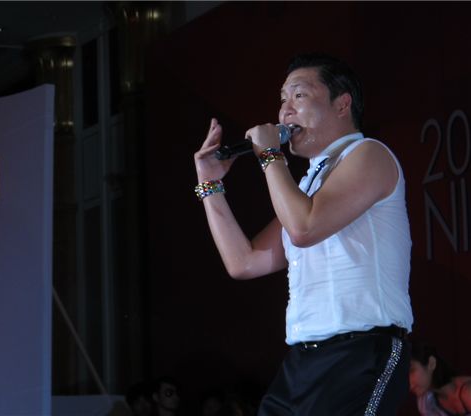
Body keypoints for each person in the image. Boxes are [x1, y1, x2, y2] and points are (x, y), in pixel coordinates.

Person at [193, 53, 413, 415]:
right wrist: (210, 184)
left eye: (299, 96)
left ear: (342, 104)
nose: (284, 111)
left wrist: (269, 155)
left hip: (360, 355)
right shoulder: (309, 184)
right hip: (302, 361)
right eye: (282, 99)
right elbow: (244, 262)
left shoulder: (369, 154)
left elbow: (304, 229)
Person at [410, 343, 471, 415]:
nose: (408, 381)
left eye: (411, 371)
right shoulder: (426, 402)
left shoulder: (467, 391)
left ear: (431, 363)